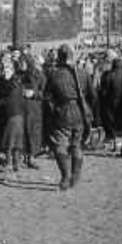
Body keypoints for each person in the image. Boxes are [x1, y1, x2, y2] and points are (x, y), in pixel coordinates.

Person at [44, 44, 95, 190]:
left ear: (59, 57)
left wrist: (53, 110)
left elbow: (47, 97)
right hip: (80, 112)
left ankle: (65, 176)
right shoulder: (83, 73)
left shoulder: (54, 74)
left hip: (62, 112)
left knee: (60, 144)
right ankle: (75, 175)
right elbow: (93, 95)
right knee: (77, 144)